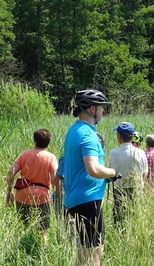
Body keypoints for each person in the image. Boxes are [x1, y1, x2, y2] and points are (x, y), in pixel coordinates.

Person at [63, 89, 121, 266]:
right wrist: (112, 173)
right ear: (91, 109)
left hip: (76, 198)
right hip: (88, 199)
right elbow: (93, 169)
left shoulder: (74, 130)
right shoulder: (88, 135)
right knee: (96, 250)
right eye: (101, 107)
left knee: (84, 250)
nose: (103, 111)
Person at [6, 128, 58, 243]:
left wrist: (9, 191)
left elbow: (10, 173)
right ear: (48, 143)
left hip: (22, 195)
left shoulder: (24, 155)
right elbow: (54, 179)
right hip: (42, 196)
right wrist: (58, 195)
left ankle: (22, 247)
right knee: (43, 230)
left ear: (34, 141)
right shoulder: (51, 157)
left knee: (23, 227)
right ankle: (44, 252)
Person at [109, 122, 148, 224]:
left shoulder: (113, 152)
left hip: (119, 190)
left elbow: (111, 172)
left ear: (120, 137)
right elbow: (144, 174)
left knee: (120, 219)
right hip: (137, 189)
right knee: (137, 219)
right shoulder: (141, 153)